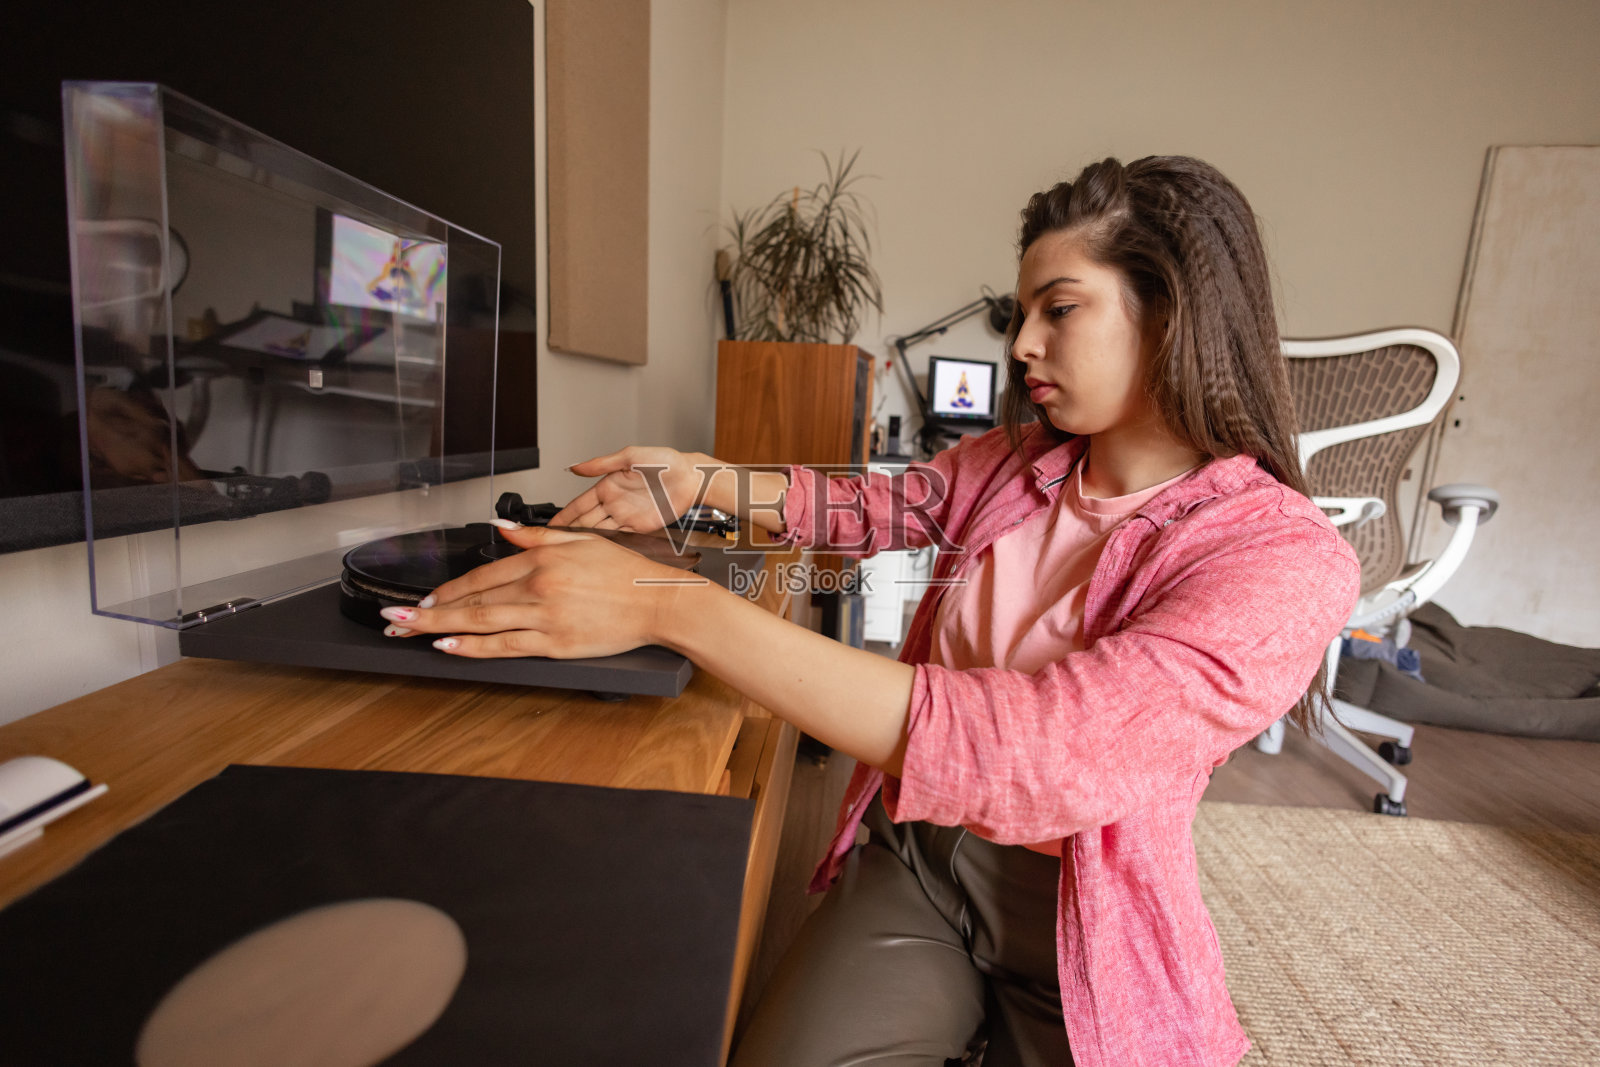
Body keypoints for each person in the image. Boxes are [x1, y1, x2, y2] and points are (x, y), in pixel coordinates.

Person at [378, 156, 1361, 1067]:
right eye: (1021, 313)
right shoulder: (1007, 466)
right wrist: (697, 482)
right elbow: (867, 503)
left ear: (1174, 310)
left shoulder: (1281, 558)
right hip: (922, 854)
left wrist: (672, 605)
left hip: (1078, 915)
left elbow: (1049, 755)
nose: (1022, 343)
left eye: (1059, 309)